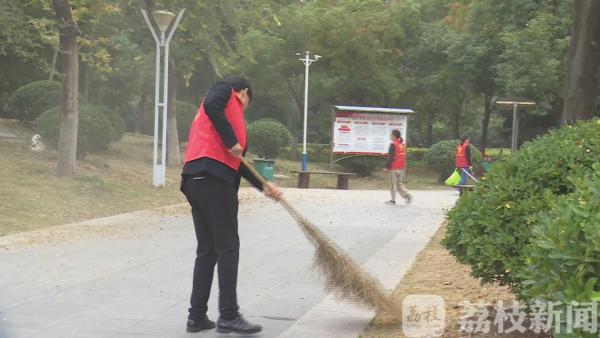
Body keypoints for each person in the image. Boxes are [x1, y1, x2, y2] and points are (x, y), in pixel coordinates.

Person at [181, 76, 282, 334]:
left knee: (208, 250)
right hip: (213, 180)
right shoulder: (225, 91)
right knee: (228, 247)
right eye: (247, 102)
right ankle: (228, 315)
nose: (244, 108)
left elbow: (239, 164)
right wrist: (230, 140)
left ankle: (196, 317)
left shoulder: (223, 116)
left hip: (195, 178)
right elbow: (215, 108)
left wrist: (264, 187)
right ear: (245, 92)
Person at [384, 129, 413, 205]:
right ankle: (408, 196)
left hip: (393, 168)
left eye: (391, 135)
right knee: (399, 184)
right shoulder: (402, 145)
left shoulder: (393, 145)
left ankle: (393, 200)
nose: (390, 136)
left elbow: (391, 157)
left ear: (394, 136)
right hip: (401, 168)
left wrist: (386, 167)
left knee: (393, 185)